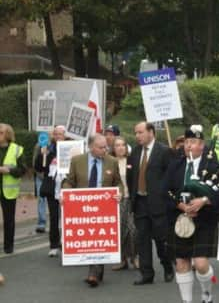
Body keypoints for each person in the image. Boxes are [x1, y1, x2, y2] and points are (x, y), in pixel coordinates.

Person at [165, 125, 219, 303]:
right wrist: (181, 206)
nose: (188, 146)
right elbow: (165, 190)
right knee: (181, 263)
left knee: (201, 264)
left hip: (204, 220)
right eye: (187, 142)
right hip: (180, 220)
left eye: (193, 142)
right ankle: (187, 301)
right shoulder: (175, 165)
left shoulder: (210, 166)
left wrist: (203, 201)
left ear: (202, 145)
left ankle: (207, 294)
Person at [62, 134, 123, 287]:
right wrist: (65, 194)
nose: (105, 150)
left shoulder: (112, 161)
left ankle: (94, 273)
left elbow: (118, 183)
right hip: (84, 207)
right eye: (101, 147)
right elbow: (69, 181)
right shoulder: (77, 161)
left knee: (100, 237)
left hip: (104, 207)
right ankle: (96, 270)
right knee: (90, 237)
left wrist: (119, 193)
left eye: (105, 147)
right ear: (90, 147)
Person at [127, 122, 175, 285]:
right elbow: (130, 176)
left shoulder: (164, 152)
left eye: (140, 132)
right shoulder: (134, 152)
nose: (137, 136)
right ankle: (146, 274)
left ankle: (167, 265)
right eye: (135, 133)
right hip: (140, 202)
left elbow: (171, 178)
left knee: (161, 239)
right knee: (142, 239)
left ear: (151, 132)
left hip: (159, 204)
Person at [33, 125, 66, 257]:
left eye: (60, 134)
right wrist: (43, 154)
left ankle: (66, 242)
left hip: (66, 186)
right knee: (54, 216)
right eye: (56, 134)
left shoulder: (72, 148)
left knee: (67, 216)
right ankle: (53, 245)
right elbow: (38, 167)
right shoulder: (48, 148)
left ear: (65, 135)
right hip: (52, 187)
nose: (58, 137)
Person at [0, 123, 28, 255]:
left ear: (8, 135)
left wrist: (9, 170)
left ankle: (8, 246)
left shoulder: (17, 149)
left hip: (8, 191)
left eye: (1, 133)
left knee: (9, 220)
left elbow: (23, 170)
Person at [112, 136, 136, 270]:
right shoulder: (110, 162)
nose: (120, 147)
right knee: (120, 230)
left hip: (131, 199)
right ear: (113, 148)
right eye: (117, 145)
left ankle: (135, 257)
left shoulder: (132, 161)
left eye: (123, 145)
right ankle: (122, 259)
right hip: (117, 201)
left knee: (133, 230)